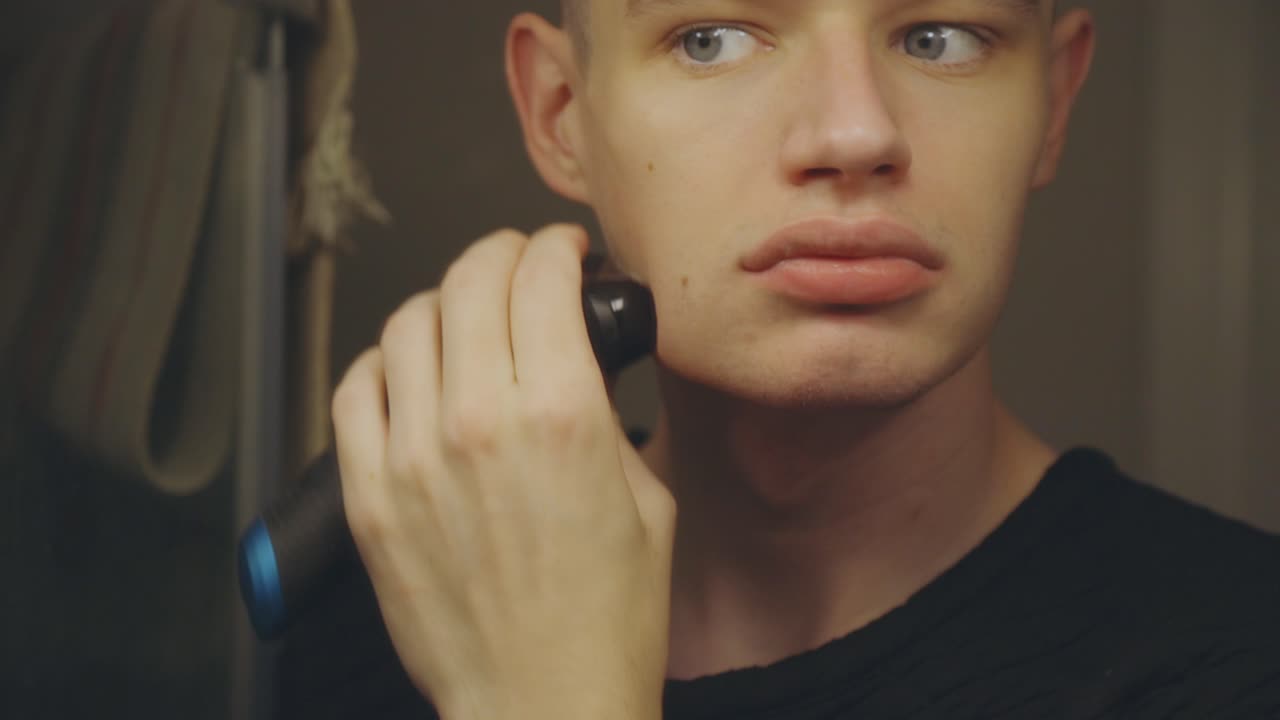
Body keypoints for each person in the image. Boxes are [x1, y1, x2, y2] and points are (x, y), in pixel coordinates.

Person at [279, 1, 1280, 717]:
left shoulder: (1239, 660)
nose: (853, 133)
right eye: (710, 40)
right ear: (559, 112)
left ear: (1053, 102)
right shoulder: (401, 600)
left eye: (938, 38)